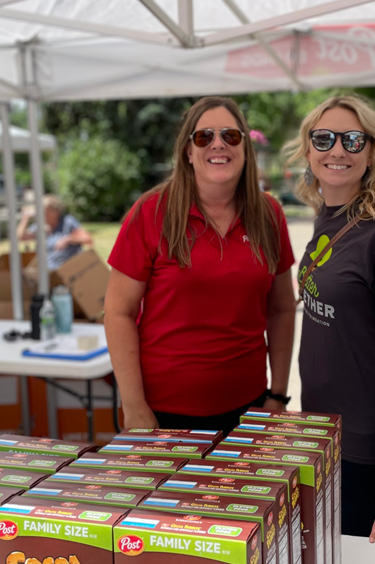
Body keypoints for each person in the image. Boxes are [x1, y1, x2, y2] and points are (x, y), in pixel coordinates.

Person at [285, 95, 375, 549]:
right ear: (308, 151)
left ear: (371, 152)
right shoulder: (329, 216)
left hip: (369, 441)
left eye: (353, 140)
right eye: (323, 139)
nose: (338, 151)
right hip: (325, 430)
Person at [105, 96, 296, 433]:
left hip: (249, 412)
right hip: (162, 414)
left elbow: (281, 308)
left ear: (245, 150)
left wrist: (277, 395)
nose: (218, 144)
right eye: (204, 136)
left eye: (231, 136)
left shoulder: (269, 215)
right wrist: (133, 407)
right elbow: (118, 313)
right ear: (188, 152)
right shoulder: (150, 212)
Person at [17, 194, 93, 270]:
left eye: (45, 212)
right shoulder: (40, 226)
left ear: (55, 212)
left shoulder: (67, 222)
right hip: (45, 271)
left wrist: (69, 239)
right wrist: (25, 218)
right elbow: (21, 237)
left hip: (67, 271)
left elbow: (88, 239)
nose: (42, 215)